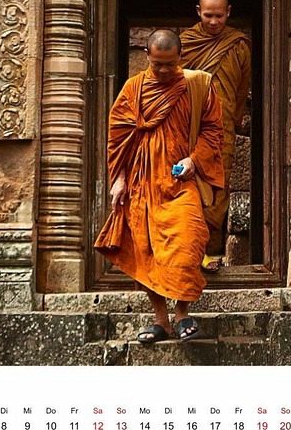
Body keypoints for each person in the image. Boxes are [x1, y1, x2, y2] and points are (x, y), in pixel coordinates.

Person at [94, 29, 224, 344]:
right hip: (141, 183)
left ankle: (182, 313)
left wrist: (195, 160)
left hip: (181, 183)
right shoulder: (134, 88)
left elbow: (213, 130)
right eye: (157, 64)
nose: (164, 70)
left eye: (169, 63)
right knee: (147, 252)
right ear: (147, 57)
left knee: (188, 243)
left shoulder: (198, 85)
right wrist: (118, 179)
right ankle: (160, 320)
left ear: (180, 57)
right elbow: (118, 137)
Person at [180, 0, 252, 268]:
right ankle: (186, 253)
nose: (213, 22)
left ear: (228, 12)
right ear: (198, 12)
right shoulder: (185, 44)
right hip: (189, 131)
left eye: (219, 16)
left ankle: (210, 252)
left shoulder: (238, 45)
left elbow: (241, 88)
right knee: (187, 188)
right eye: (208, 15)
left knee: (218, 190)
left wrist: (232, 119)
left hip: (223, 131)